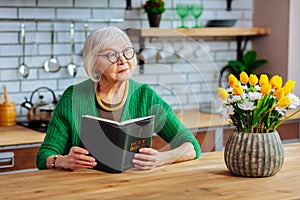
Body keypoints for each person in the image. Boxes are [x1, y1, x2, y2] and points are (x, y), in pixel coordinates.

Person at [36, 27, 201, 171]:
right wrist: (62, 161)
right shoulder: (73, 97)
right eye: (111, 55)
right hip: (80, 189)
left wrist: (160, 159)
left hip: (130, 188)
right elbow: (44, 156)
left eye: (127, 51)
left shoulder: (145, 96)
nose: (123, 60)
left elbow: (191, 146)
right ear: (94, 64)